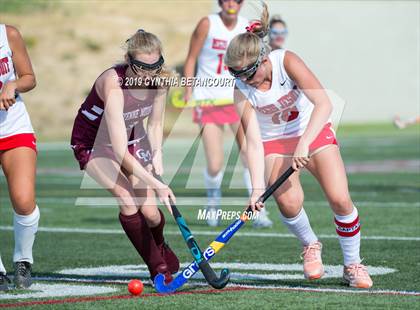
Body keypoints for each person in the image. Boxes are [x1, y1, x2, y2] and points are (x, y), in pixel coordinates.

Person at [225, 3, 373, 288]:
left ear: (264, 59)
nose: (244, 80)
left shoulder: (286, 61)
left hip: (312, 131)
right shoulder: (242, 89)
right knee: (288, 201)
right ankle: (310, 244)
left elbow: (323, 103)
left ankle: (352, 264)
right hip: (275, 142)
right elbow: (254, 142)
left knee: (340, 199)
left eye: (248, 73)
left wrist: (304, 142)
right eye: (237, 75)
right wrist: (256, 188)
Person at [70, 29, 179, 284]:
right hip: (94, 144)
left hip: (132, 138)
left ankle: (159, 245)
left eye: (156, 66)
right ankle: (157, 268)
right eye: (143, 67)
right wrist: (157, 184)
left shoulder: (159, 82)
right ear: (129, 61)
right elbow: (118, 152)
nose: (150, 74)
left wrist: (157, 157)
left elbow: (153, 125)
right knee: (127, 198)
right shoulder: (114, 84)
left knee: (151, 214)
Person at [184, 0, 272, 227]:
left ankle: (258, 209)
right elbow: (191, 57)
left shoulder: (245, 26)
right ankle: (213, 206)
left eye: (237, 0)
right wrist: (187, 89)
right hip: (209, 99)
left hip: (238, 96)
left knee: (248, 154)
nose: (231, 3)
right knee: (215, 163)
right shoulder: (208, 23)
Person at [0, 24, 39, 290]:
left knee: (24, 201)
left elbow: (29, 77)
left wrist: (13, 84)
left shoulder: (8, 34)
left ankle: (23, 260)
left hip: (14, 127)